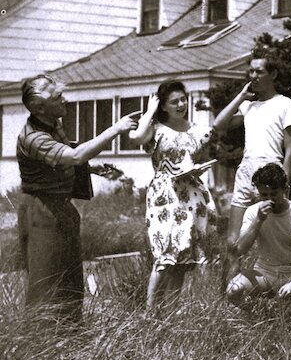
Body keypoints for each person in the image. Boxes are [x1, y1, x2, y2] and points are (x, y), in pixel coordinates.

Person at [16, 74, 140, 321]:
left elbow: (64, 158)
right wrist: (116, 129)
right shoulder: (33, 137)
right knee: (46, 284)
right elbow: (74, 156)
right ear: (39, 107)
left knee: (69, 281)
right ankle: (43, 346)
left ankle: (71, 338)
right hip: (41, 212)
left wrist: (90, 168)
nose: (65, 99)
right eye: (57, 97)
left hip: (60, 208)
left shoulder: (53, 123)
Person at [129, 80, 215, 311]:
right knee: (163, 255)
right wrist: (149, 111)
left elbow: (194, 158)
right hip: (163, 197)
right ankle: (149, 313)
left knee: (182, 257)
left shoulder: (195, 129)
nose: (180, 105)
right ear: (163, 106)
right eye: (174, 101)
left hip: (190, 195)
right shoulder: (155, 128)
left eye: (183, 100)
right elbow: (136, 138)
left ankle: (171, 313)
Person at [214, 51, 291, 285]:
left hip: (272, 173)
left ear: (272, 74)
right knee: (233, 242)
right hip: (246, 172)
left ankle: (281, 293)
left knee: (277, 239)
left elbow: (290, 149)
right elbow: (218, 125)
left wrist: (284, 184)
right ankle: (226, 298)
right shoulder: (248, 107)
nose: (254, 76)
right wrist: (241, 97)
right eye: (250, 71)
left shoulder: (285, 104)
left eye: (259, 71)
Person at [225, 163, 291, 307]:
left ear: (286, 190)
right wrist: (258, 220)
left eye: (274, 194)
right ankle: (259, 314)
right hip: (265, 272)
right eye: (264, 195)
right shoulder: (253, 212)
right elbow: (240, 249)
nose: (269, 200)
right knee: (233, 290)